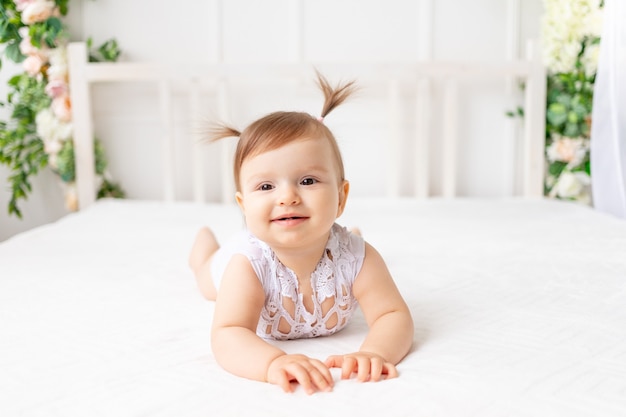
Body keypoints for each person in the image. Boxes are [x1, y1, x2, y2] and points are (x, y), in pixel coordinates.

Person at [188, 71, 414, 395]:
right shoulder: (246, 266)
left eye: (307, 181)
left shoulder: (358, 258)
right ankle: (203, 247)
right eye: (266, 186)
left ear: (340, 197)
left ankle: (337, 230)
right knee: (206, 280)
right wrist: (272, 363)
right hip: (230, 259)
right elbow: (228, 332)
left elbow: (393, 315)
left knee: (348, 239)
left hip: (336, 238)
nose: (287, 197)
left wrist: (374, 352)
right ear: (243, 204)